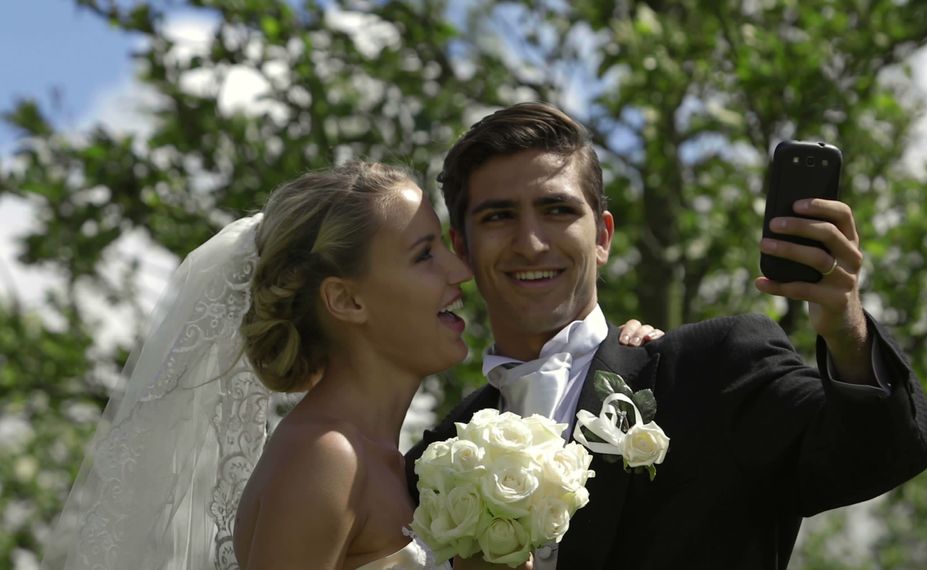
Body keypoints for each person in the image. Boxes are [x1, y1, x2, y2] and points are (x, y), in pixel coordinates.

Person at [42, 160, 657, 570]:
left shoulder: (401, 462)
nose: (460, 271)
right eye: (424, 255)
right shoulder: (324, 460)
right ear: (347, 299)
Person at [405, 103, 927, 569]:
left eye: (558, 210)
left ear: (603, 237)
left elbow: (879, 453)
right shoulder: (436, 462)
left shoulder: (711, 369)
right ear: (464, 247)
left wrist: (845, 327)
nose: (531, 242)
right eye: (499, 216)